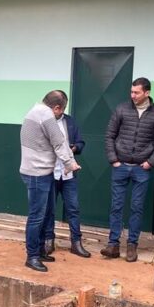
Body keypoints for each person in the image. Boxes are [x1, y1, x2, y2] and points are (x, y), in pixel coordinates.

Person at [100, 77, 154, 261]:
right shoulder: (121, 109)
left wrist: (150, 162)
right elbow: (109, 135)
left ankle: (132, 246)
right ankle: (113, 244)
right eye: (131, 92)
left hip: (141, 168)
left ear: (147, 93)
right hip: (120, 165)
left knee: (137, 207)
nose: (133, 95)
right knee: (116, 206)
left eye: (137, 92)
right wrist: (114, 160)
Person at [19, 91, 80, 272]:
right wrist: (71, 164)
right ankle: (32, 256)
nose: (61, 114)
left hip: (35, 170)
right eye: (62, 111)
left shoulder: (34, 110)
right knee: (37, 216)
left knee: (44, 214)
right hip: (38, 173)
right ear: (56, 107)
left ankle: (39, 251)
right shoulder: (46, 115)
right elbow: (59, 142)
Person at [43, 91, 91, 258]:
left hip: (68, 174)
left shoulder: (70, 121)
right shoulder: (44, 122)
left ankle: (76, 243)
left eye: (63, 108)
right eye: (60, 108)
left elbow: (81, 142)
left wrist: (74, 148)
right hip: (50, 172)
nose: (62, 111)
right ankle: (49, 240)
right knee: (49, 209)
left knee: (73, 208)